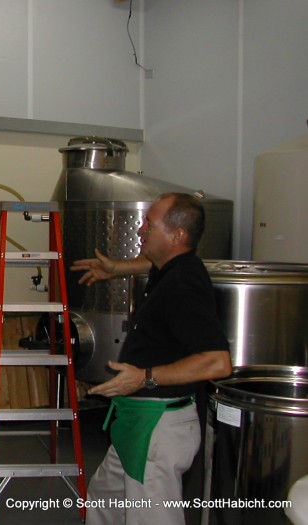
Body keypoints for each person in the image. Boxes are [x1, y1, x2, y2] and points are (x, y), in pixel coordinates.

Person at [71, 192, 232, 525]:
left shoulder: (182, 285)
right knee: (103, 503)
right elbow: (155, 261)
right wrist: (117, 269)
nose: (141, 229)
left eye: (149, 223)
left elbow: (218, 362)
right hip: (136, 422)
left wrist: (144, 377)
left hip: (158, 428)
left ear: (176, 235)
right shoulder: (177, 265)